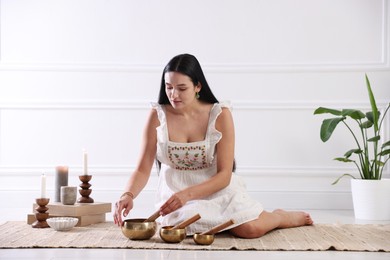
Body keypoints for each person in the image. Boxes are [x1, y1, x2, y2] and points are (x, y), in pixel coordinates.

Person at [113, 53, 313, 238]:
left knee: (250, 229)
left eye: (182, 88)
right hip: (176, 196)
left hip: (216, 189)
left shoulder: (220, 115)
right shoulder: (158, 116)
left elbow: (225, 174)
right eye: (169, 87)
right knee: (180, 230)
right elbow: (142, 168)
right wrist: (127, 194)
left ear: (198, 86)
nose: (173, 94)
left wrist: (188, 194)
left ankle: (280, 216)